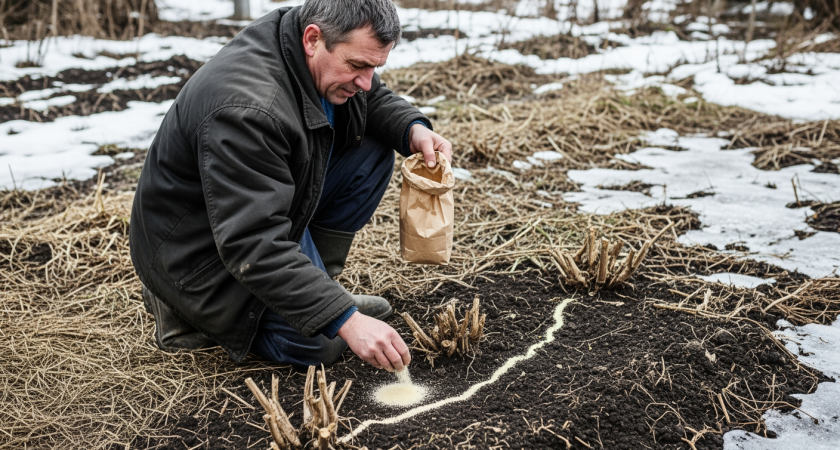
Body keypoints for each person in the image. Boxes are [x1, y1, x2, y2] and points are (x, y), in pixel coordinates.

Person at [129, 0, 452, 372]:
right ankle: (180, 311)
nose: (365, 81)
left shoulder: (307, 36)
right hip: (196, 255)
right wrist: (345, 321)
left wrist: (413, 128)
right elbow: (252, 240)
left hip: (251, 210)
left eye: (375, 67)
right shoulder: (248, 110)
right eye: (358, 66)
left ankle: (317, 288)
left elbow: (372, 97)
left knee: (376, 145)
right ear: (313, 39)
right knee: (319, 346)